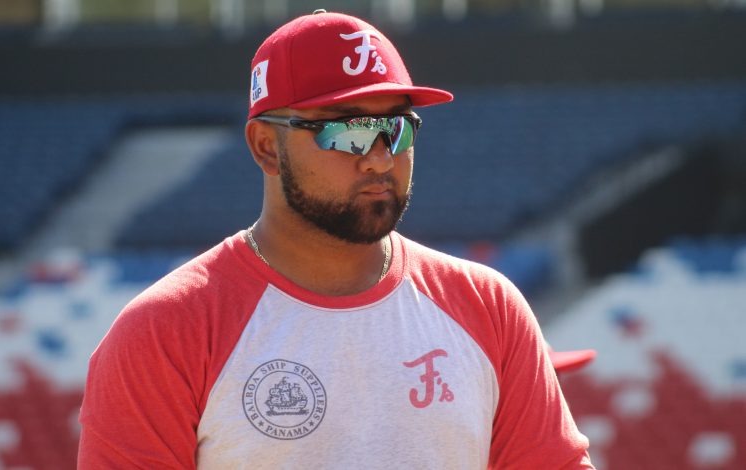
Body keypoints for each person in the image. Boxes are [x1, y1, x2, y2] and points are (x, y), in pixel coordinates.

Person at [78, 9, 594, 469]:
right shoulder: (165, 330)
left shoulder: (489, 306)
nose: (379, 157)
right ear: (265, 147)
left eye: (397, 129)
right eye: (346, 131)